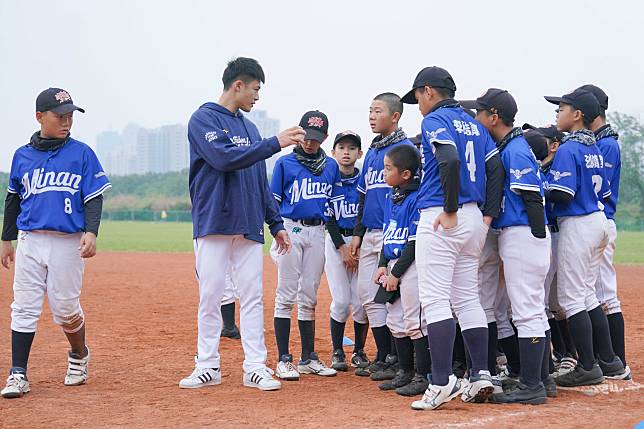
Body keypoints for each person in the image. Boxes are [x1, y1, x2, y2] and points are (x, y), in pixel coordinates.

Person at [180, 57, 304, 391]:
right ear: (238, 85)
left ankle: (254, 367)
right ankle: (207, 365)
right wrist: (274, 143)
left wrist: (275, 222)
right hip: (214, 221)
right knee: (211, 296)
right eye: (255, 89)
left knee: (252, 297)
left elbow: (258, 179)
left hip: (248, 223)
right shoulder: (203, 118)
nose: (257, 97)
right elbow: (223, 158)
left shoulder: (250, 128)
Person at [400, 67, 505, 411]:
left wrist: (448, 208)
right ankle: (481, 374)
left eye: (417, 96)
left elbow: (449, 158)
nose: (417, 105)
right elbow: (495, 169)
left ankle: (441, 380)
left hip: (444, 216)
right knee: (467, 299)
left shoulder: (435, 120)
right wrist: (486, 213)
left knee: (435, 299)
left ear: (428, 91)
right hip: (475, 216)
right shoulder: (475, 123)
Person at [1, 88, 111, 398]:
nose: (67, 122)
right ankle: (18, 374)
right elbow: (13, 199)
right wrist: (6, 239)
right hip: (30, 240)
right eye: (60, 116)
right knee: (23, 308)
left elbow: (93, 197)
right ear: (39, 117)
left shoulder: (82, 153)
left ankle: (78, 354)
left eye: (70, 116)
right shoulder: (22, 155)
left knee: (65, 309)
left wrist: (91, 232)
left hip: (67, 242)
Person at [462, 89, 552, 404]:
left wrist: (535, 238)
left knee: (527, 310)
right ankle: (540, 380)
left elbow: (531, 197)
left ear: (494, 116)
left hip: (523, 232)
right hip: (519, 232)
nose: (476, 118)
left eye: (480, 112)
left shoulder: (516, 148)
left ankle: (533, 386)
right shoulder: (510, 146)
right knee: (532, 310)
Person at [543, 88, 624, 387]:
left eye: (561, 108)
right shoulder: (592, 146)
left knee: (571, 298)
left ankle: (587, 366)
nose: (557, 114)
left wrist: (536, 186)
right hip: (597, 219)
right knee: (588, 294)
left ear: (577, 115)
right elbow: (602, 192)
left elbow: (563, 194)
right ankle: (609, 360)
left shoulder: (569, 148)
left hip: (577, 222)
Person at [349, 93, 414, 380]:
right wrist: (357, 233)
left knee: (395, 297)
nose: (372, 116)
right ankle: (384, 355)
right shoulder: (374, 151)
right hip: (372, 232)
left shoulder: (406, 149)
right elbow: (363, 197)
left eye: (378, 111)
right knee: (368, 295)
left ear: (395, 116)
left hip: (396, 236)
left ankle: (399, 359)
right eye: (370, 111)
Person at [271, 111, 340, 380]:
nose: (310, 143)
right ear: (298, 134)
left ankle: (308, 358)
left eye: (316, 138)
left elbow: (332, 205)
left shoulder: (330, 166)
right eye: (306, 137)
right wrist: (276, 231)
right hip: (291, 228)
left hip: (317, 231)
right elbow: (274, 202)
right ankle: (283, 358)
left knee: (309, 295)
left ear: (324, 138)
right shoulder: (285, 163)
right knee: (286, 294)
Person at [577, 84, 631, 380]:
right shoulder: (597, 142)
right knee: (594, 292)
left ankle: (617, 362)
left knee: (605, 294)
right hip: (597, 221)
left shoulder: (607, 144)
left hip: (601, 220)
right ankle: (606, 358)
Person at [372, 144, 431, 397]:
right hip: (394, 264)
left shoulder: (416, 198)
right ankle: (405, 371)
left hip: (412, 264)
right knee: (395, 321)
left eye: (388, 169)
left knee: (415, 321)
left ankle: (422, 375)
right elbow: (388, 237)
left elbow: (415, 242)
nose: (383, 173)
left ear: (405, 174)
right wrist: (382, 265)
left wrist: (396, 274)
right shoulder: (391, 197)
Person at [324, 130, 370, 371]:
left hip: (360, 242)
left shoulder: (364, 180)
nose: (346, 152)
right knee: (341, 301)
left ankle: (359, 351)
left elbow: (365, 213)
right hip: (336, 242)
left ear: (359, 153)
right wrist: (341, 247)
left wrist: (358, 242)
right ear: (333, 152)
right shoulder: (329, 181)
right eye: (341, 148)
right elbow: (328, 216)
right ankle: (337, 350)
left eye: (352, 148)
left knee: (362, 301)